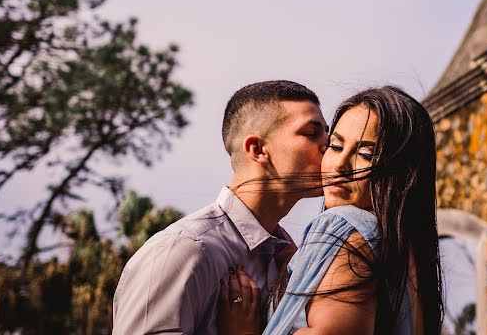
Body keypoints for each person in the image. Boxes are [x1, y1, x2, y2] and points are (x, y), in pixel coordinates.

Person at [217, 86, 444, 335]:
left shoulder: (345, 227)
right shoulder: (405, 251)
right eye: (335, 146)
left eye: (366, 154)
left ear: (401, 172)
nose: (340, 165)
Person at [113, 80, 329, 335]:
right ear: (258, 150)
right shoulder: (183, 251)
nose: (329, 144)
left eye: (327, 133)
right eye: (311, 132)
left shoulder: (289, 258)